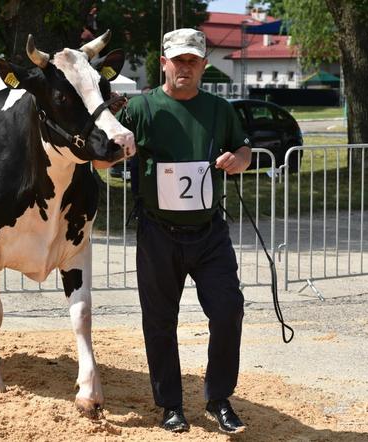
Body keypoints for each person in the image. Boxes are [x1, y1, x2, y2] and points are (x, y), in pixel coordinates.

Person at [115, 28, 251, 434]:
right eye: (179, 60)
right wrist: (117, 149)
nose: (185, 68)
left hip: (210, 232)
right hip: (158, 233)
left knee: (229, 310)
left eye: (193, 61)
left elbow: (243, 148)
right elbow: (103, 157)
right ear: (164, 63)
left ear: (204, 65)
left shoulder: (219, 109)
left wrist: (239, 160)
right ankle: (170, 405)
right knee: (159, 321)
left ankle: (219, 398)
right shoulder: (140, 108)